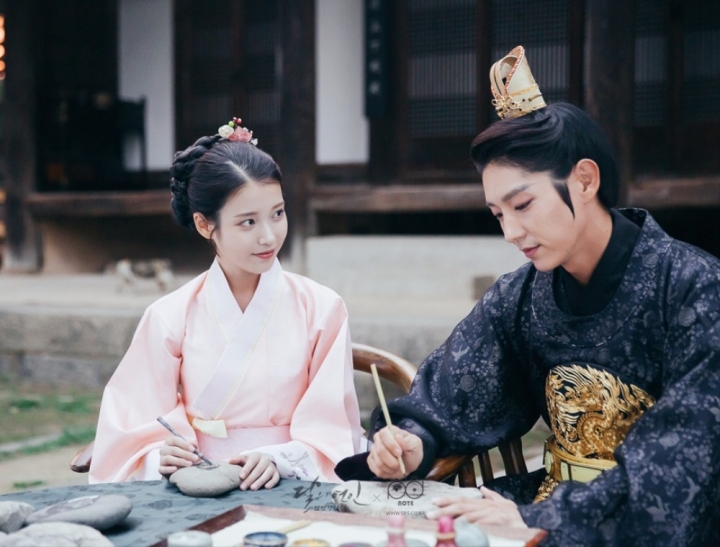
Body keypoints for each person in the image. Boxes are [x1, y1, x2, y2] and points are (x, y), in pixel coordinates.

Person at [356, 47, 720, 545]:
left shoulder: (696, 287)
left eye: (523, 204)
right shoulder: (520, 296)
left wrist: (545, 519)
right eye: (498, 215)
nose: (510, 232)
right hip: (550, 502)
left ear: (585, 180)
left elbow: (684, 458)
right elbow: (449, 396)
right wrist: (411, 443)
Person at [90, 118, 365, 489]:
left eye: (278, 213)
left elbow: (331, 423)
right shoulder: (169, 316)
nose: (269, 236)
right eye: (248, 222)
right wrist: (160, 455)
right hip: (199, 480)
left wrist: (281, 458)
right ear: (205, 225)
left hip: (291, 477)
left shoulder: (322, 308)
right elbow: (134, 422)